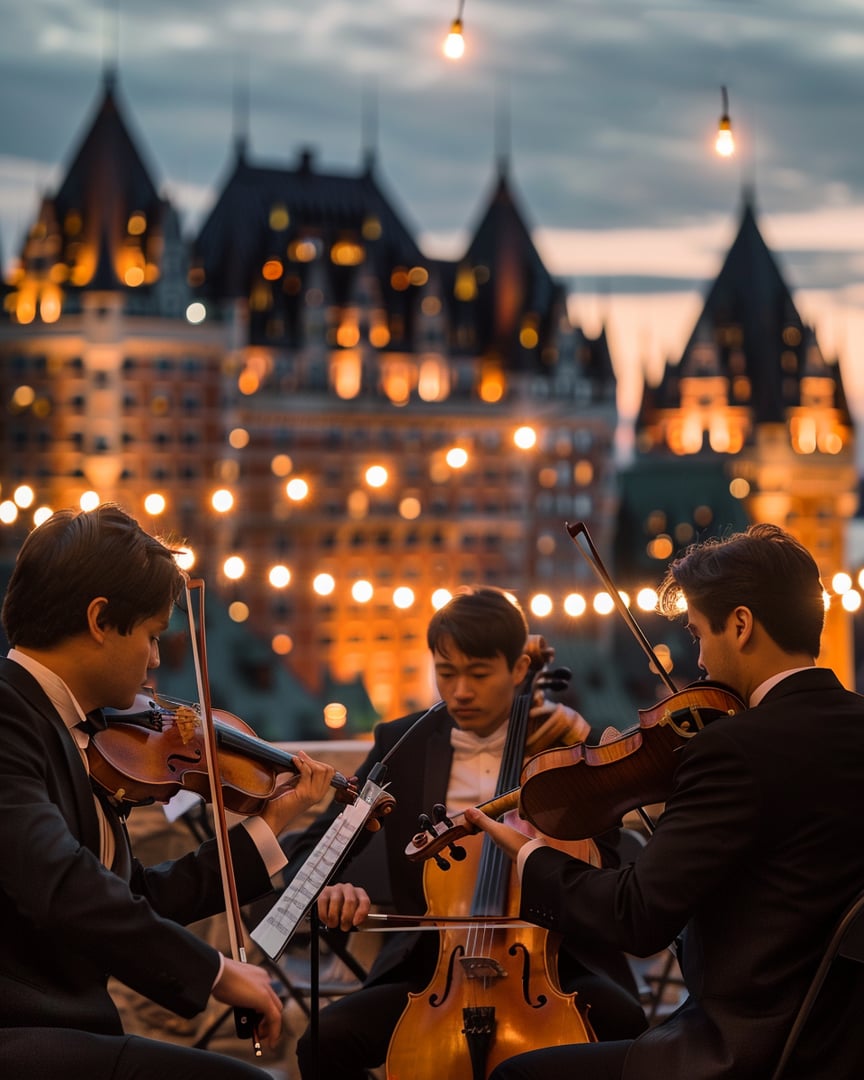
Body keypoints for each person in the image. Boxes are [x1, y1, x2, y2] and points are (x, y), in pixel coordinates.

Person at [465, 523, 864, 1079]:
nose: (698, 662)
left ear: (742, 625)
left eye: (699, 633)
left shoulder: (733, 749)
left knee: (516, 1074)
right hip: (846, 1042)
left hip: (752, 1049)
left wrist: (529, 856)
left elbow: (637, 917)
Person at [0, 504, 337, 1079]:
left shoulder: (74, 729)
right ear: (100, 619)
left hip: (65, 1027)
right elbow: (61, 884)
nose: (157, 660)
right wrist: (218, 973)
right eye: (153, 636)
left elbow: (135, 899)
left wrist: (268, 823)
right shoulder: (9, 717)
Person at [281, 585, 648, 1080]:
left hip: (551, 961)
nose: (460, 693)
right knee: (325, 1044)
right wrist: (330, 888)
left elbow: (608, 860)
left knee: (629, 1025)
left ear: (520, 669)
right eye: (446, 673)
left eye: (478, 674)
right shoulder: (402, 745)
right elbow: (319, 848)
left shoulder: (561, 744)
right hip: (433, 967)